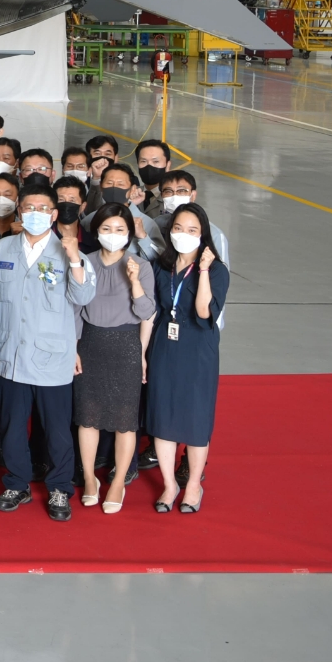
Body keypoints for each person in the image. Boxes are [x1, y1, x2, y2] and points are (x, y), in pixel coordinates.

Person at [0, 184, 96, 522]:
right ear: (19, 211)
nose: (34, 213)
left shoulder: (69, 251)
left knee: (57, 429)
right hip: (11, 354)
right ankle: (16, 482)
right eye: (28, 207)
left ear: (53, 214)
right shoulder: (4, 248)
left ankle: (60, 486)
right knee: (11, 426)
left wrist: (76, 257)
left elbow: (83, 297)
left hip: (53, 357)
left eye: (42, 208)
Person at [146, 204, 229, 514]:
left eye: (193, 230)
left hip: (198, 350)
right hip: (165, 347)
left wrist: (204, 271)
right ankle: (170, 484)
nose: (184, 235)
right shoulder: (161, 266)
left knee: (195, 417)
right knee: (163, 415)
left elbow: (204, 312)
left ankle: (194, 483)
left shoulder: (217, 270)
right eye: (179, 228)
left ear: (203, 235)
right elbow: (151, 311)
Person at [74, 204, 157, 514]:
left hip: (125, 344)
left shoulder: (141, 265)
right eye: (106, 229)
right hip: (90, 343)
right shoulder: (85, 262)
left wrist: (134, 280)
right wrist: (74, 347)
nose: (113, 235)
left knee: (125, 421)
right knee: (88, 416)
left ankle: (119, 480)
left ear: (128, 233)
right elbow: (75, 309)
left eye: (120, 229)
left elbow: (146, 312)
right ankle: (89, 479)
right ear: (96, 232)